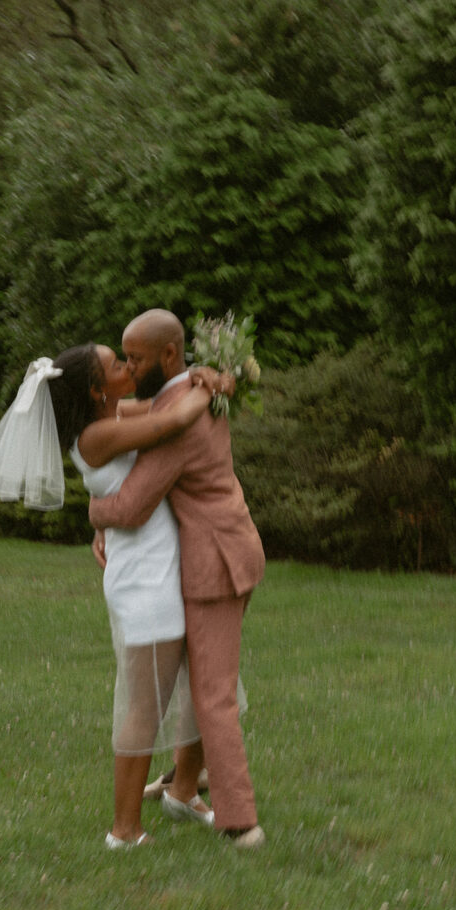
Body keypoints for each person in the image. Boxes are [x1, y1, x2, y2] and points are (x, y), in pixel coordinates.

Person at [0, 343, 227, 849]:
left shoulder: (116, 413)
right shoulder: (96, 434)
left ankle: (183, 792)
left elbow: (161, 409)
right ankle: (124, 830)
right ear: (96, 390)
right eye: (118, 365)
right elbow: (169, 425)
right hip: (145, 583)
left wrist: (198, 376)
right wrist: (212, 387)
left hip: (163, 570)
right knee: (144, 706)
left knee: (200, 684)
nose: (128, 367)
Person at [89, 310, 267, 850]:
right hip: (228, 552)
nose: (129, 365)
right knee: (204, 682)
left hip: (216, 565)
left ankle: (240, 820)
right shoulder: (183, 394)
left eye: (136, 357)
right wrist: (211, 375)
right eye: (125, 356)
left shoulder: (181, 417)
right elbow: (134, 419)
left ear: (169, 355)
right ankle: (182, 787)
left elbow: (133, 505)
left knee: (211, 692)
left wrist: (95, 515)